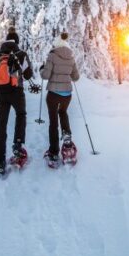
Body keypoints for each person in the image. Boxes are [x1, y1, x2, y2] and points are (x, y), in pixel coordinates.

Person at [0, 28, 35, 176]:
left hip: (1, 95)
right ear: (17, 42)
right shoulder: (21, 54)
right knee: (21, 114)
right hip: (17, 92)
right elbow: (28, 75)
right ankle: (18, 144)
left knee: (1, 127)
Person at [39, 32, 80, 165]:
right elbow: (76, 77)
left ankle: (54, 152)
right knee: (63, 112)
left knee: (53, 121)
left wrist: (41, 69)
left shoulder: (52, 55)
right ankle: (67, 136)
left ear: (56, 44)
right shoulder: (71, 57)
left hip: (53, 94)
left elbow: (45, 75)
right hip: (67, 94)